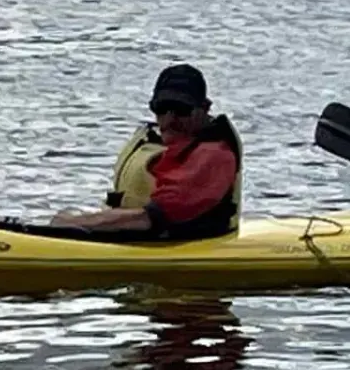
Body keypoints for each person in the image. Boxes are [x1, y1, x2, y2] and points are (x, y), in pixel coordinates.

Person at [46, 64, 242, 240]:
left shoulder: (213, 156)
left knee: (66, 220)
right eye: (161, 108)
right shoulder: (160, 142)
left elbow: (151, 218)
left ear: (204, 109)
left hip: (176, 241)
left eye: (181, 110)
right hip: (138, 235)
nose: (168, 120)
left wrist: (78, 223)